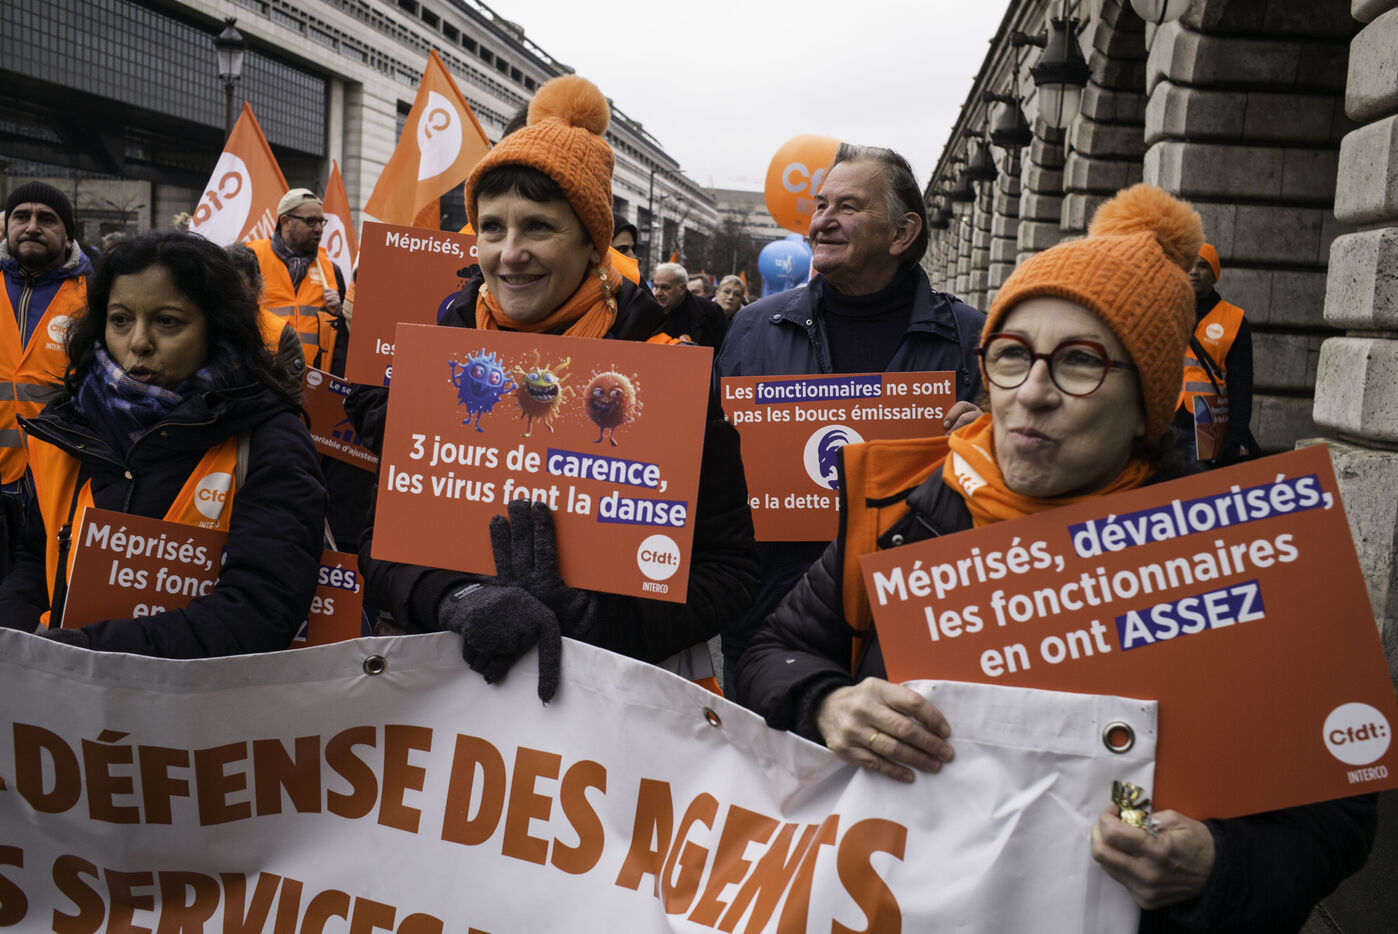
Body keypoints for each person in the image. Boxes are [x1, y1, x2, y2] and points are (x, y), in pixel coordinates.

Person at [737, 185, 1375, 932]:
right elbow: (771, 652)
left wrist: (1218, 865)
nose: (1032, 393)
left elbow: (1336, 811)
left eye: (1079, 363)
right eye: (1011, 355)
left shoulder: (1237, 556)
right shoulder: (907, 510)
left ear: (1146, 404)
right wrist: (826, 703)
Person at [347, 74, 758, 700]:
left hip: (613, 704)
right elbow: (382, 540)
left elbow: (728, 571)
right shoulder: (442, 356)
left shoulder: (666, 372)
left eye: (538, 227)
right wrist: (456, 597)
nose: (509, 253)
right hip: (448, 703)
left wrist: (594, 619)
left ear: (593, 246)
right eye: (492, 228)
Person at [714, 143, 986, 691]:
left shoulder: (971, 338)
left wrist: (985, 440)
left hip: (912, 628)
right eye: (821, 205)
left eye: (848, 206)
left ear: (902, 233)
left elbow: (1012, 489)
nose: (823, 221)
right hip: (769, 626)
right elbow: (710, 471)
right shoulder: (754, 328)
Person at [0, 230, 326, 657]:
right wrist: (17, 640)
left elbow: (263, 607)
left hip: (198, 697)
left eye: (167, 321)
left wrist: (93, 652)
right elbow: (34, 561)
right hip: (60, 689)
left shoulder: (269, 439)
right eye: (120, 320)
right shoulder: (66, 428)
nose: (138, 342)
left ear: (216, 327)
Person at [1, 182, 92, 488]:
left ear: (68, 238)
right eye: (21, 216)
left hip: (58, 477)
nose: (32, 227)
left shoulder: (96, 295)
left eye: (47, 219)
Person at [246, 189, 346, 372]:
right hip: (263, 377)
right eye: (310, 221)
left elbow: (344, 338)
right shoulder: (252, 259)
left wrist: (339, 313)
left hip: (314, 380)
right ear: (285, 222)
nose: (319, 229)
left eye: (321, 222)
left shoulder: (331, 270)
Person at [1175, 242, 1255, 467]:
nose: (1193, 271)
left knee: (1199, 487)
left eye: (1202, 266)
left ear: (1214, 275)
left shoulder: (1234, 320)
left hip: (1206, 427)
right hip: (1165, 426)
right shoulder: (1165, 311)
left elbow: (1242, 386)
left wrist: (1234, 437)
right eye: (1189, 265)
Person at [225, 243, 305, 395]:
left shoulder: (282, 334)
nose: (229, 288)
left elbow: (290, 394)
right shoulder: (205, 327)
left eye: (236, 280)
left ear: (255, 284)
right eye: (224, 280)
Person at [651, 261, 727, 348]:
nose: (658, 293)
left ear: (682, 288)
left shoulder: (710, 312)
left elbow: (724, 350)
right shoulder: (649, 312)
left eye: (665, 287)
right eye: (656, 287)